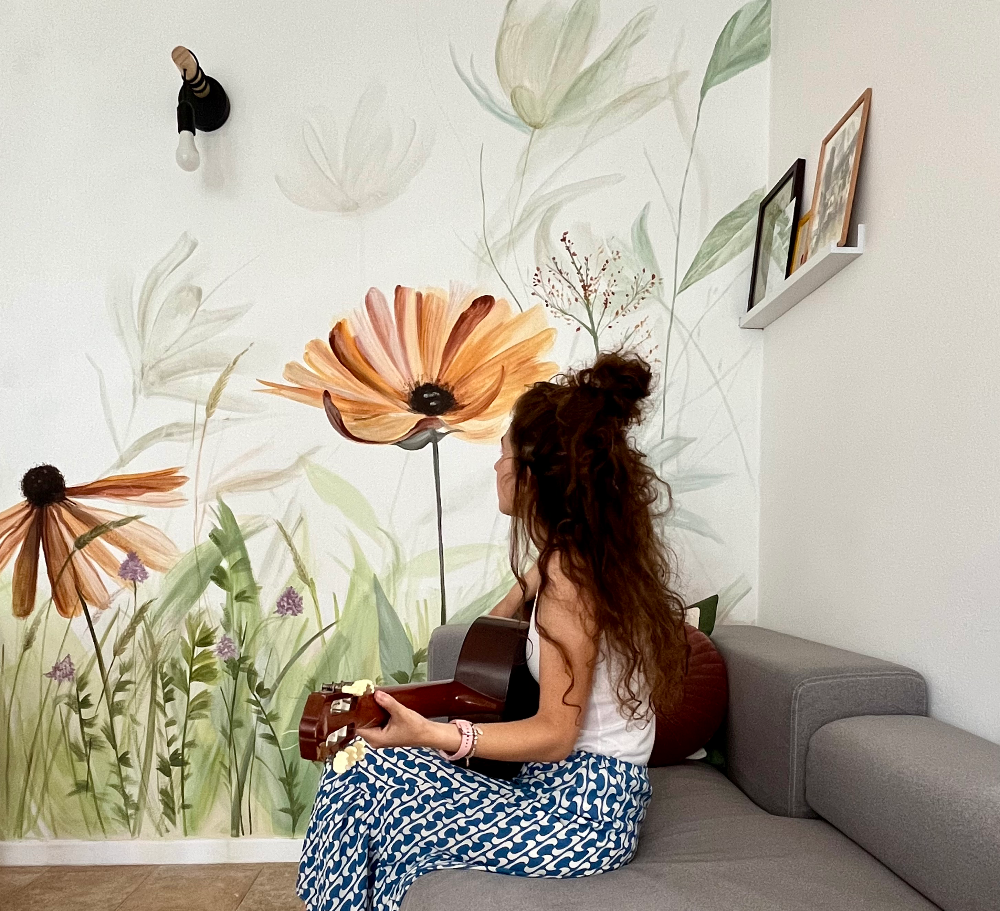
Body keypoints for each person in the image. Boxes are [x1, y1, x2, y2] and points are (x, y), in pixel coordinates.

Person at [296, 351, 691, 911]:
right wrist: (526, 584)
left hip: (581, 815)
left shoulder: (570, 581)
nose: (496, 467)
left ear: (532, 474)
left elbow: (556, 735)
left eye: (503, 452)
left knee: (359, 779)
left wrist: (435, 735)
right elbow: (499, 630)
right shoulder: (577, 562)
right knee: (371, 778)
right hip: (579, 793)